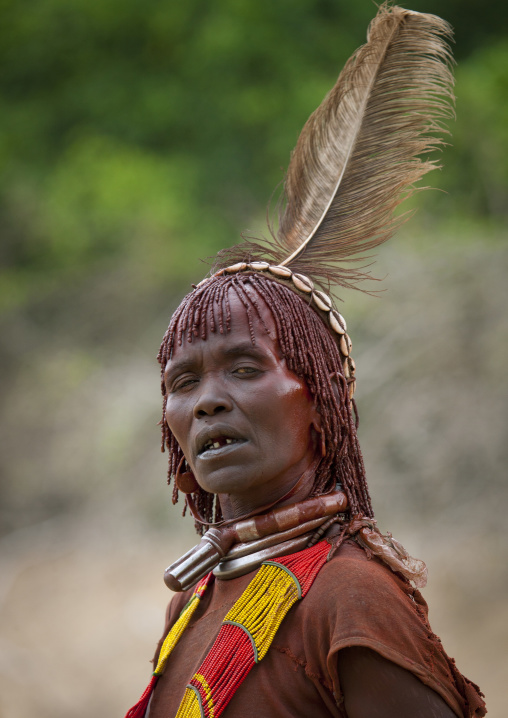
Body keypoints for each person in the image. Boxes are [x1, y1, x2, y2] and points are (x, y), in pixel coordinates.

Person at [125, 5, 486, 718]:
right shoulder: (196, 602)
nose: (208, 402)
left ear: (322, 398)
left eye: (245, 368)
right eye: (183, 382)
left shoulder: (351, 600)